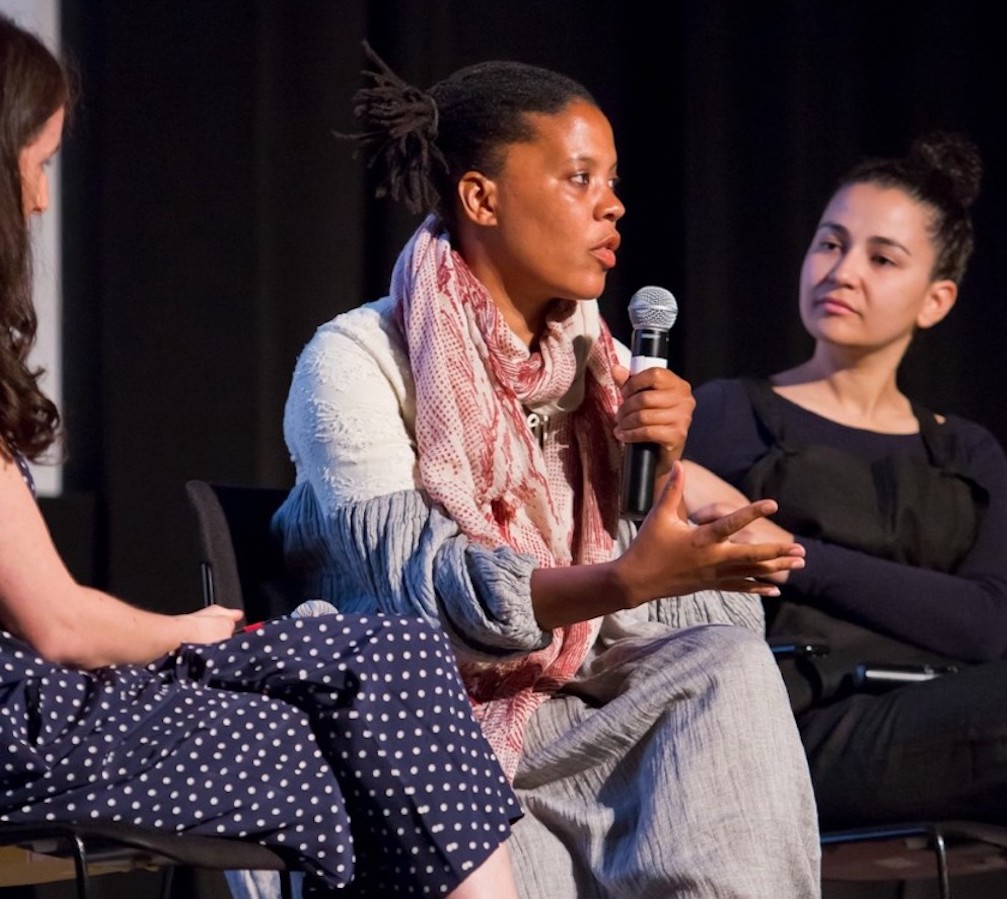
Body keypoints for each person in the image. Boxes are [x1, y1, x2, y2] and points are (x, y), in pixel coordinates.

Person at [272, 41, 821, 899]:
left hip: (573, 699)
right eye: (580, 179)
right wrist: (622, 579)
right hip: (430, 727)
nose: (614, 208)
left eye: (611, 182)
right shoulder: (356, 361)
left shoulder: (597, 363)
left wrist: (666, 470)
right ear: (481, 197)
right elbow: (417, 597)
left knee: (726, 663)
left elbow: (737, 577)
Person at [0, 14, 522, 899]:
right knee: (368, 683)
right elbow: (62, 626)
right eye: (38, 164)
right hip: (26, 730)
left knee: (361, 686)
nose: (43, 198)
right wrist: (183, 632)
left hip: (33, 713)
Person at [681, 132, 1007, 897]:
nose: (842, 272)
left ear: (936, 298)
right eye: (830, 244)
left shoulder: (965, 452)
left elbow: (980, 623)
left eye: (881, 257)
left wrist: (791, 548)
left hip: (935, 723)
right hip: (793, 728)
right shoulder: (728, 414)